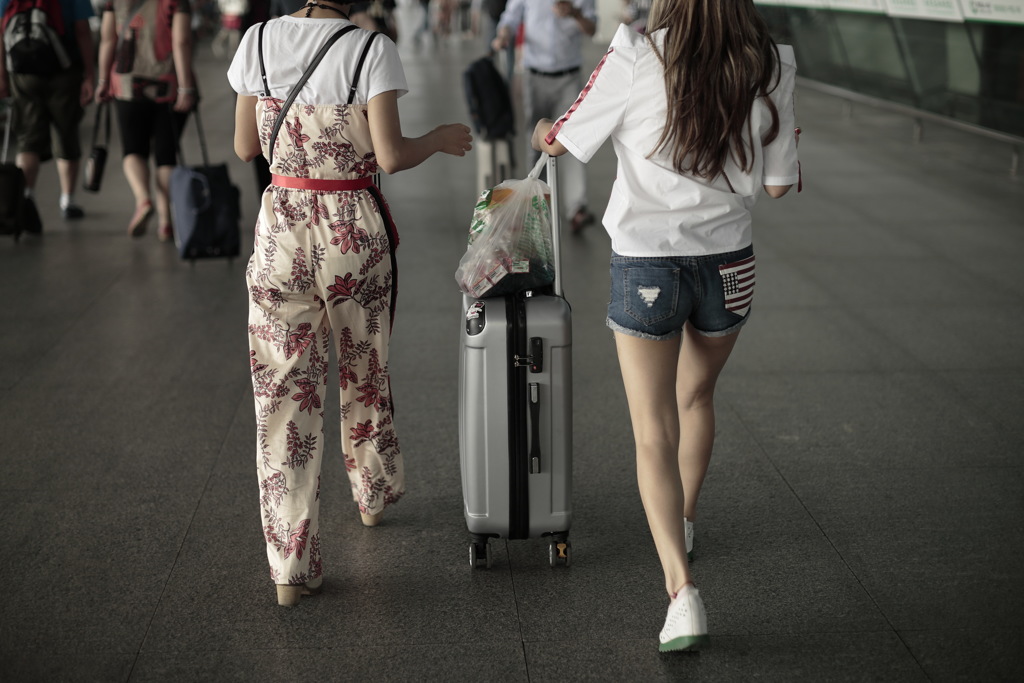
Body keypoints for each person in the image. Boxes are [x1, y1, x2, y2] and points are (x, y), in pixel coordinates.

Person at [532, 0, 799, 652]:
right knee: (698, 395)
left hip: (648, 265)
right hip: (731, 266)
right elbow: (778, 185)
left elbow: (561, 138)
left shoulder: (636, 53)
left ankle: (682, 594)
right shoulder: (772, 61)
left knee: (653, 430)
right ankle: (683, 518)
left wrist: (546, 126)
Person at [228, 0, 472, 607]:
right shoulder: (370, 48)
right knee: (364, 369)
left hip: (281, 230)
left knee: (284, 398)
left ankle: (291, 565)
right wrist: (438, 140)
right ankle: (371, 492)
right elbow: (389, 156)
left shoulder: (256, 42)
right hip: (352, 234)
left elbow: (242, 148)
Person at [95, 0, 197, 240]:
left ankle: (143, 199)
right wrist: (185, 87)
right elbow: (181, 41)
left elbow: (108, 39)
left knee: (133, 150)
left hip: (127, 84)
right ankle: (165, 221)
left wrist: (102, 80)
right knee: (166, 154)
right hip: (168, 84)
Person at [492, 0, 596, 233]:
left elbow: (592, 28)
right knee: (535, 141)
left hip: (568, 76)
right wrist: (504, 34)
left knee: (572, 140)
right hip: (534, 75)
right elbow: (510, 17)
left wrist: (575, 13)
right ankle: (535, 205)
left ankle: (576, 207)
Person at [0, 0, 95, 229]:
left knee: (28, 139)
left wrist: (2, 76)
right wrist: (90, 75)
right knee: (65, 132)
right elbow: (82, 30)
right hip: (64, 71)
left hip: (23, 74)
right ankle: (67, 200)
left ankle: (27, 197)